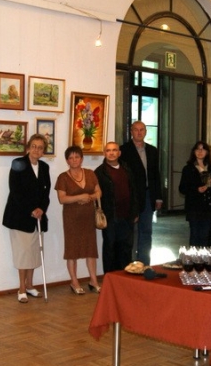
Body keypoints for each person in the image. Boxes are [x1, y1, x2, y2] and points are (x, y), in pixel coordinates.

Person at [2, 134, 51, 303]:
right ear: (29, 147)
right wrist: (31, 210)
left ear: (43, 151)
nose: (37, 150)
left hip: (38, 217)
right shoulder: (18, 164)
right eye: (34, 146)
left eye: (40, 147)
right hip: (20, 217)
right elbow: (15, 191)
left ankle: (30, 285)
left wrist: (41, 209)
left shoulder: (44, 167)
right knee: (23, 254)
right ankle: (21, 288)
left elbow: (46, 193)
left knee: (34, 253)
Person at [55, 145, 102, 294]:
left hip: (88, 217)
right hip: (71, 218)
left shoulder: (90, 173)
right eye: (71, 158)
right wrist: (79, 197)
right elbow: (62, 199)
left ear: (81, 158)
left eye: (77, 157)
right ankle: (74, 282)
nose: (74, 160)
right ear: (67, 161)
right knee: (72, 250)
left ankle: (93, 280)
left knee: (91, 249)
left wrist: (89, 197)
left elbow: (98, 192)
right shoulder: (63, 177)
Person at [119, 121, 163, 266]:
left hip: (148, 195)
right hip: (131, 197)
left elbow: (156, 175)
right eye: (136, 130)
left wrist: (158, 197)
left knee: (146, 231)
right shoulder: (123, 150)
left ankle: (144, 264)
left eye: (142, 130)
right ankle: (130, 264)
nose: (139, 132)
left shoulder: (152, 150)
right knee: (131, 231)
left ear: (145, 132)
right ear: (131, 131)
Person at [95, 142, 139, 272]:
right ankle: (110, 278)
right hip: (110, 218)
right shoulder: (99, 172)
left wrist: (135, 212)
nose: (111, 153)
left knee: (126, 250)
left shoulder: (127, 169)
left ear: (119, 153)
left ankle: (124, 278)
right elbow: (96, 196)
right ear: (104, 153)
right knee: (110, 250)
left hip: (127, 217)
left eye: (114, 150)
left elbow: (134, 191)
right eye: (108, 150)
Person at [179, 141, 211, 247]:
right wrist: (196, 190)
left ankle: (203, 257)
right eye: (198, 149)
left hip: (208, 208)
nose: (200, 151)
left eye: (203, 149)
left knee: (205, 237)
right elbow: (182, 189)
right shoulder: (188, 168)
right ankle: (193, 257)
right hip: (194, 208)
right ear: (194, 152)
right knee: (195, 236)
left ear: (207, 152)